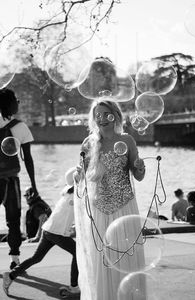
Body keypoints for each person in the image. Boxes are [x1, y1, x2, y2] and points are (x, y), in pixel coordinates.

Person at [73, 100, 146, 300]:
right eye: (97, 115)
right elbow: (81, 177)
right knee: (102, 263)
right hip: (99, 210)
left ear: (116, 115)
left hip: (124, 208)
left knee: (126, 260)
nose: (102, 119)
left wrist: (140, 167)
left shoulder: (127, 140)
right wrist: (78, 175)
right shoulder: (89, 143)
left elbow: (138, 175)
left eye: (106, 114)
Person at [3, 166, 79, 296]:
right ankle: (73, 287)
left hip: (48, 230)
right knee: (77, 253)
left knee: (36, 258)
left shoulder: (67, 192)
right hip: (56, 232)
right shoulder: (76, 195)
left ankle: (10, 275)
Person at [0, 88, 38, 270]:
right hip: (11, 180)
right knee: (13, 221)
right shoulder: (19, 126)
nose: (18, 102)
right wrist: (34, 185)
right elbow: (27, 159)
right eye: (16, 99)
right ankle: (15, 259)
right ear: (8, 103)